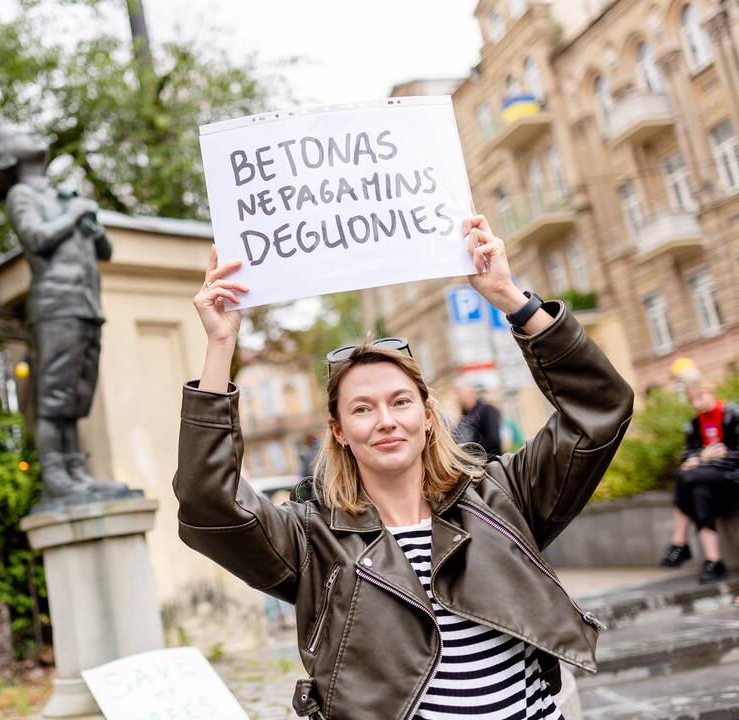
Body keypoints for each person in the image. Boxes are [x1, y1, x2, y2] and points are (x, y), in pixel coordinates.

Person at [174, 215, 633, 720]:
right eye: (363, 408)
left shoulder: (504, 497)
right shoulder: (312, 540)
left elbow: (600, 410)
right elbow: (209, 503)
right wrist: (221, 346)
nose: (386, 421)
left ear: (429, 416)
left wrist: (510, 298)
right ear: (339, 432)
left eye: (401, 401)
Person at [0, 129, 129, 507]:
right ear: (6, 159)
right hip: (56, 304)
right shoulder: (23, 195)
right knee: (54, 395)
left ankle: (76, 473)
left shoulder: (63, 197)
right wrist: (74, 213)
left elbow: (106, 249)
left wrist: (88, 220)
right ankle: (56, 477)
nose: (31, 135)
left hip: (86, 305)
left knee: (77, 395)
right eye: (18, 136)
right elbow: (36, 238)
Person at [658, 376, 739, 583]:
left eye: (700, 397)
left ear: (711, 392)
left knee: (685, 476)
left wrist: (702, 460)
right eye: (692, 400)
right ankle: (713, 561)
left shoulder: (733, 415)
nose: (696, 403)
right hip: (708, 482)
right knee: (697, 492)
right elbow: (688, 455)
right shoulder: (694, 424)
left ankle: (680, 543)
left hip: (733, 478)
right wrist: (702, 459)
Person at [453, 377, 503, 460]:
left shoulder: (488, 410)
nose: (457, 397)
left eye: (459, 393)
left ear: (471, 392)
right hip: (472, 466)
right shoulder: (464, 417)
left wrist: (470, 452)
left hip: (490, 464)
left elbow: (493, 440)